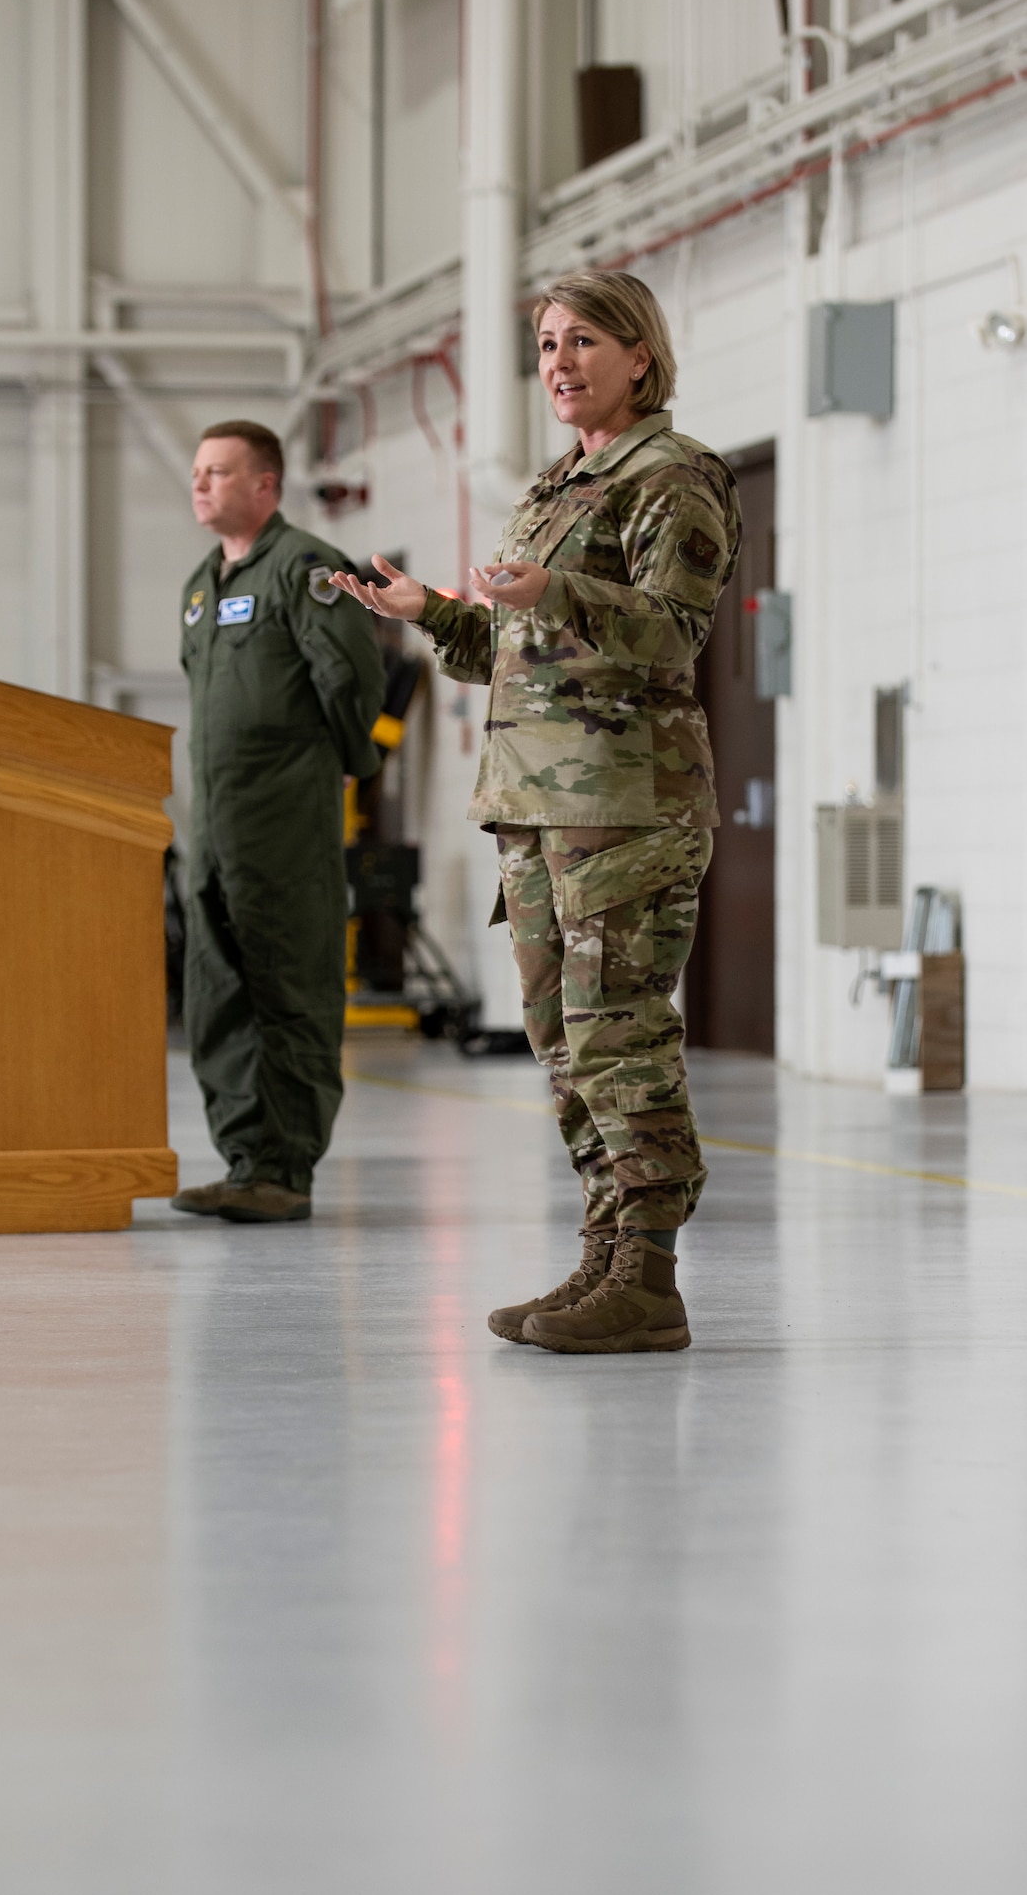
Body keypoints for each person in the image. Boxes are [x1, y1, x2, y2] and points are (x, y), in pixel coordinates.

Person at [333, 272, 740, 1349]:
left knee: (620, 1034)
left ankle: (650, 1275)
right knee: (565, 1043)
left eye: (584, 342)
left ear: (639, 356)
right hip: (537, 803)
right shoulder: (557, 485)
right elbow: (525, 653)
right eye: (548, 344)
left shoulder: (673, 474)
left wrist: (549, 592)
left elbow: (670, 630)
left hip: (627, 805)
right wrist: (437, 615)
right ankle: (605, 1252)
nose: (559, 362)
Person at [172, 421, 385, 1223]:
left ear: (265, 486)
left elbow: (350, 677)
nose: (199, 485)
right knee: (218, 993)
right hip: (216, 825)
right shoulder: (200, 585)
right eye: (196, 472)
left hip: (284, 820)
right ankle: (242, 1161)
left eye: (218, 472)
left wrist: (343, 764)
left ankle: (284, 1169)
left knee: (289, 989)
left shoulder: (305, 568)